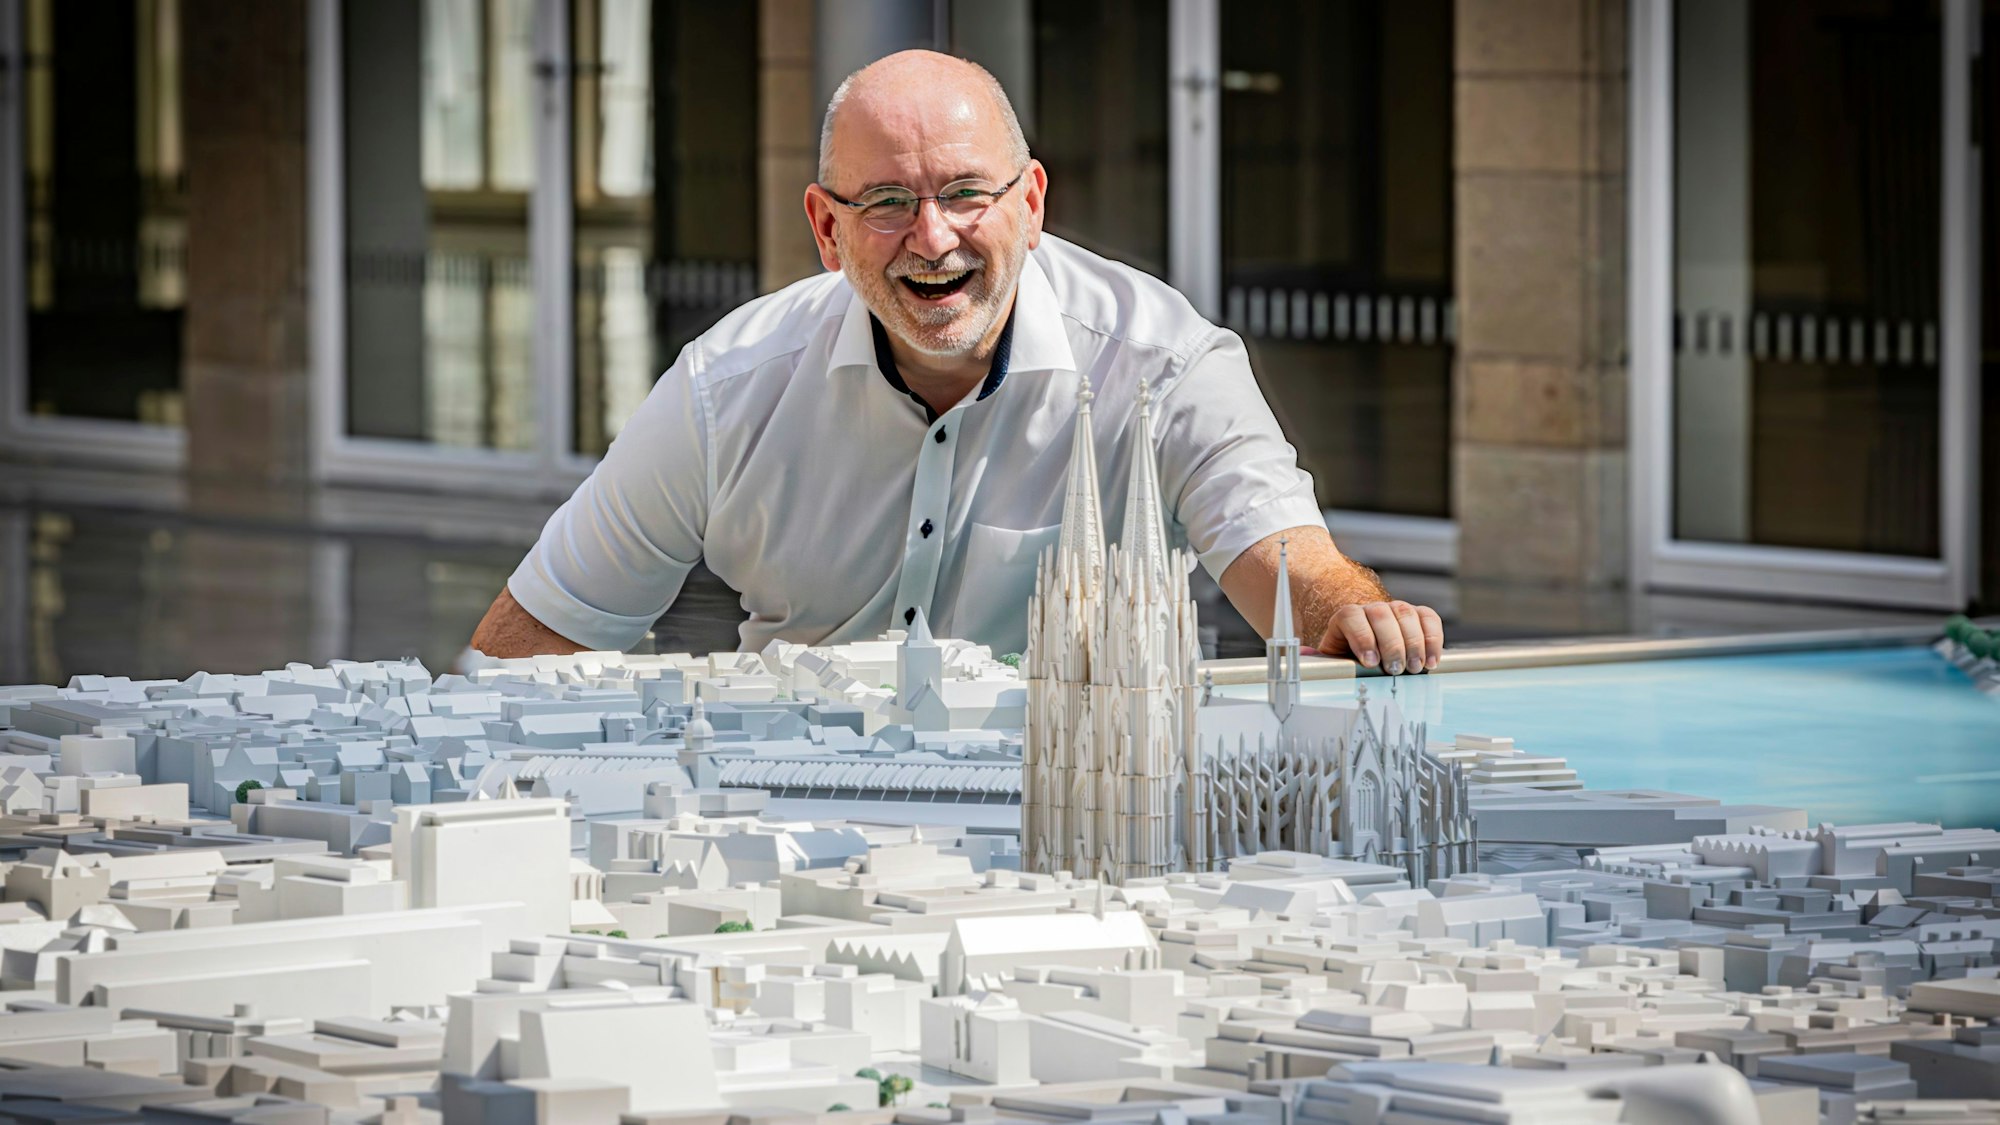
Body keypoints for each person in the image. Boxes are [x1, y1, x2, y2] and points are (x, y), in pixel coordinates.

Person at [471, 50, 1443, 675]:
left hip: (1078, 823)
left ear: (1032, 203)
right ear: (825, 229)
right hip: (797, 827)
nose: (932, 238)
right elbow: (527, 645)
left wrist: (1358, 618)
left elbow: (1290, 563)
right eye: (886, 202)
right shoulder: (724, 390)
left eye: (967, 194)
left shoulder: (1165, 365)